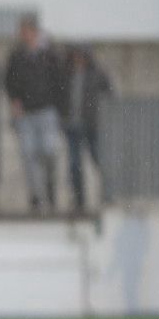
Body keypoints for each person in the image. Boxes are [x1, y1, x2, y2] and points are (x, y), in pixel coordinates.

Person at [4, 14, 65, 215]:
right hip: (26, 113)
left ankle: (49, 188)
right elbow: (9, 80)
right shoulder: (17, 55)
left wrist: (59, 107)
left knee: (48, 151)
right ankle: (36, 196)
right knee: (28, 154)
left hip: (46, 110)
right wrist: (15, 100)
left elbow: (59, 81)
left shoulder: (49, 54)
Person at [62, 46, 112, 214]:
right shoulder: (67, 74)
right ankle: (79, 200)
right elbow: (58, 96)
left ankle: (108, 194)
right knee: (75, 164)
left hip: (92, 126)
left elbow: (110, 96)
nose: (78, 60)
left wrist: (100, 117)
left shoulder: (98, 74)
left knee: (99, 160)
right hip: (72, 126)